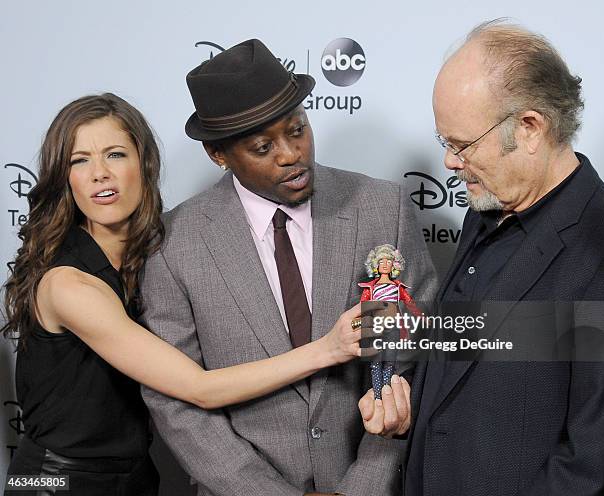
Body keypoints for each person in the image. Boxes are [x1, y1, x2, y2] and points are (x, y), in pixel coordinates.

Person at [1, 93, 381, 496]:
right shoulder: (69, 285)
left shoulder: (152, 257)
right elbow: (198, 387)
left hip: (132, 478)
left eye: (114, 155)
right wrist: (328, 348)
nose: (99, 174)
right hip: (54, 481)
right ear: (65, 177)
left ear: (143, 164)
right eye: (80, 160)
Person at [139, 39, 438, 496]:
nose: (290, 154)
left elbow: (413, 354)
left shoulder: (383, 208)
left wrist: (364, 484)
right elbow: (178, 404)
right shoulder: (173, 244)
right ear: (218, 155)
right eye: (263, 146)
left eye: (297, 129)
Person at [358, 19, 604, 495]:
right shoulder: (486, 208)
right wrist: (417, 405)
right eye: (445, 143)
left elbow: (589, 466)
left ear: (530, 128)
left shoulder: (601, 248)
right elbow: (474, 366)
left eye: (462, 144)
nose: (450, 162)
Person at [358, 244, 421, 398]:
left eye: (389, 261)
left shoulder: (397, 287)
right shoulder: (370, 288)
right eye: (381, 262)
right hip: (376, 328)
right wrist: (358, 324)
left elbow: (409, 303)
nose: (385, 264)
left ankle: (387, 393)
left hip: (393, 327)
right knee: (375, 363)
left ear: (394, 265)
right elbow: (361, 308)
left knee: (390, 362)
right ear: (375, 265)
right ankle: (378, 395)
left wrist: (422, 317)